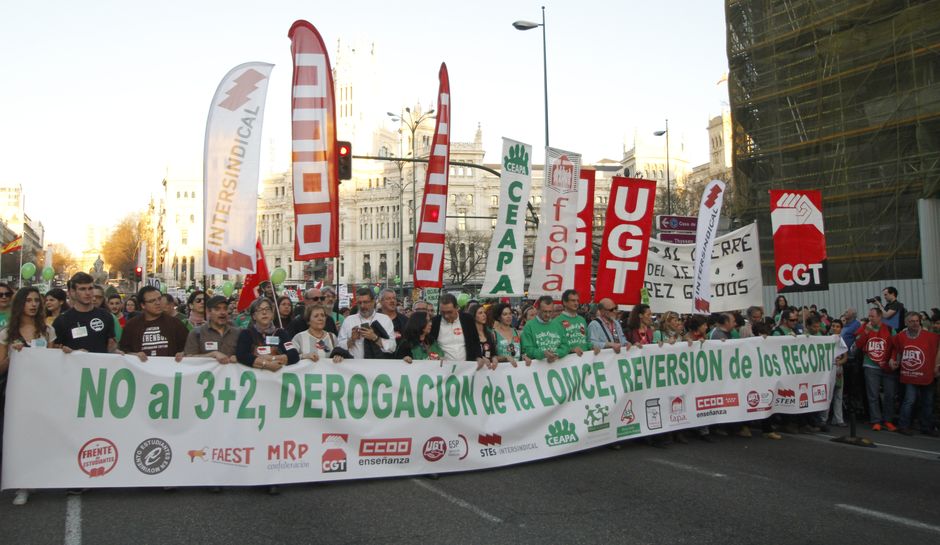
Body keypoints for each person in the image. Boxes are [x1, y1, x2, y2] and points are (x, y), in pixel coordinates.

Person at [0, 287, 56, 506]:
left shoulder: (47, 331)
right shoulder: (7, 334)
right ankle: (21, 484)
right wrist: (12, 355)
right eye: (28, 300)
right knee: (17, 437)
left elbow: (52, 363)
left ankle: (37, 477)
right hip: (15, 393)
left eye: (36, 301)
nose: (33, 304)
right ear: (20, 304)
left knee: (38, 435)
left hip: (40, 391)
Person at [890, 313, 939, 436]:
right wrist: (893, 359)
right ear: (906, 323)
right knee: (909, 401)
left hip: (927, 374)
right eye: (912, 321)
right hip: (910, 374)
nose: (915, 323)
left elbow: (938, 349)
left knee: (927, 402)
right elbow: (896, 349)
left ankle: (926, 427)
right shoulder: (900, 336)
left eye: (917, 320)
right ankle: (903, 425)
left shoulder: (931, 336)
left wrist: (936, 366)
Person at [52, 272, 118, 354]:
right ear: (73, 292)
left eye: (90, 288)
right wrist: (73, 353)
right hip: (73, 366)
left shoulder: (105, 316)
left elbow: (111, 346)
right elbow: (54, 352)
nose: (87, 293)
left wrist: (115, 351)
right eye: (82, 289)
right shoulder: (62, 320)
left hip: (99, 365)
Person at [119, 286, 189, 361]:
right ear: (143, 305)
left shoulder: (175, 323)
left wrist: (183, 353)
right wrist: (133, 355)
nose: (158, 303)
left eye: (159, 299)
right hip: (141, 371)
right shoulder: (131, 325)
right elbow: (123, 351)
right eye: (152, 301)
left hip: (170, 370)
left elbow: (188, 348)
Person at [856, 307, 897, 431]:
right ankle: (876, 420)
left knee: (889, 395)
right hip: (870, 365)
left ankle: (888, 419)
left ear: (880, 317)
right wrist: (865, 332)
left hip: (886, 366)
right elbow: (858, 344)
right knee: (873, 395)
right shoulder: (864, 327)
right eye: (869, 316)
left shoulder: (889, 329)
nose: (870, 318)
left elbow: (896, 346)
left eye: (872, 316)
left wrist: (893, 358)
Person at [235, 297, 300, 371]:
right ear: (254, 316)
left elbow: (294, 355)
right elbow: (242, 355)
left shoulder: (281, 333)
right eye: (259, 309)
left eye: (267, 309)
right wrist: (267, 364)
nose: (264, 312)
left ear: (272, 314)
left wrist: (272, 358)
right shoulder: (246, 334)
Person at [337, 287, 397, 359]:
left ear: (373, 302)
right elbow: (339, 346)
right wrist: (352, 340)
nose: (362, 306)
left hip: (378, 366)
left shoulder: (385, 320)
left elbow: (392, 347)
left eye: (365, 302)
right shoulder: (349, 320)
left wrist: (375, 337)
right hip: (354, 367)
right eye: (359, 303)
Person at [184, 295, 241, 364]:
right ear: (208, 312)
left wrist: (240, 357)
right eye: (217, 309)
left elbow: (249, 356)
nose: (222, 312)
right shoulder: (196, 333)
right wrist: (212, 354)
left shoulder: (238, 333)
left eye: (225, 308)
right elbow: (188, 359)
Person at [521, 296, 569, 363]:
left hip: (556, 366)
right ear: (538, 310)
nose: (548, 315)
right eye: (544, 311)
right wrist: (543, 354)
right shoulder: (529, 326)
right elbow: (527, 349)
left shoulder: (558, 325)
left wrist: (556, 354)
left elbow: (565, 345)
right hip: (537, 368)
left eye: (550, 311)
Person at [552, 289, 597, 357]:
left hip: (585, 360)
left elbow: (586, 340)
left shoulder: (581, 320)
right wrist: (571, 349)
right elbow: (556, 346)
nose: (576, 303)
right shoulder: (556, 322)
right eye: (573, 300)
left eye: (577, 301)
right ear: (564, 302)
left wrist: (593, 346)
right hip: (569, 362)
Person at [467, 303, 498, 369]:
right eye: (480, 313)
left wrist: (494, 358)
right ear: (473, 316)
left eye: (484, 312)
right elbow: (468, 353)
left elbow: (493, 353)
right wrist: (480, 358)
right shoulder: (469, 334)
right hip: (474, 370)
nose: (484, 315)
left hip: (488, 370)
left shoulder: (489, 334)